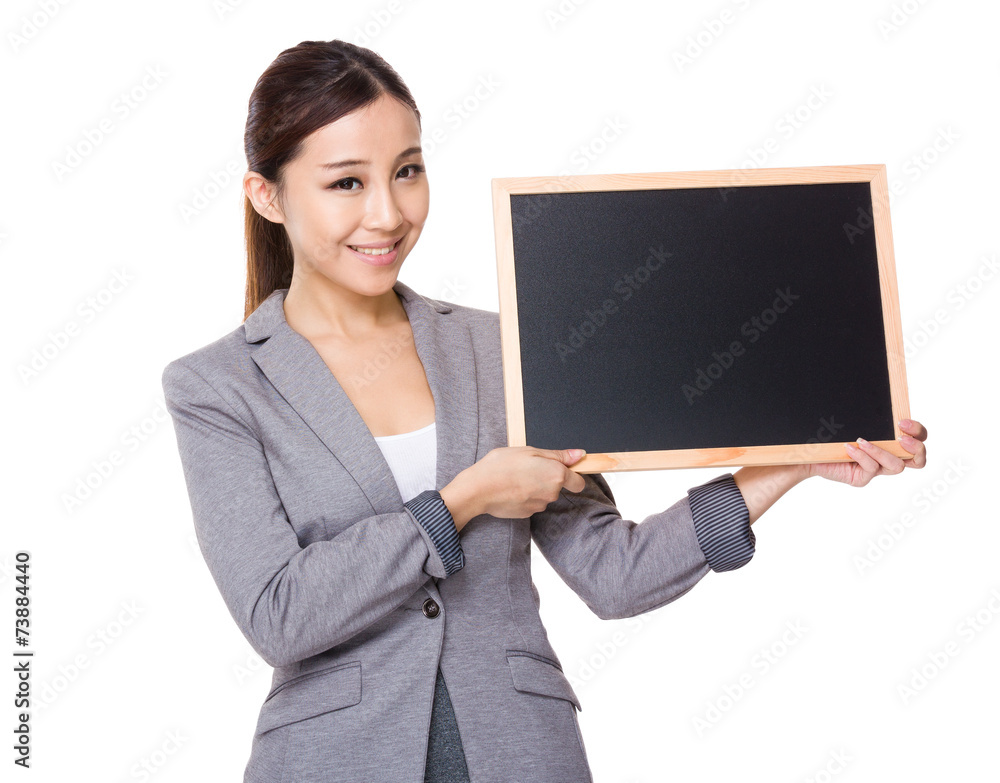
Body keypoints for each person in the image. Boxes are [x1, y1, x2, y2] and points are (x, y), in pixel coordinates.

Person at [161, 39, 928, 783]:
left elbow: (614, 573)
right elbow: (280, 614)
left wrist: (789, 463)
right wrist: (462, 501)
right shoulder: (218, 386)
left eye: (407, 171)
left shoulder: (504, 349)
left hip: (520, 751)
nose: (388, 213)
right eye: (346, 183)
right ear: (266, 195)